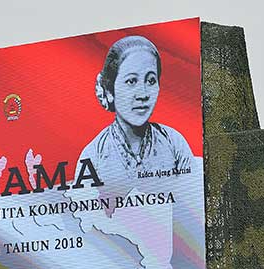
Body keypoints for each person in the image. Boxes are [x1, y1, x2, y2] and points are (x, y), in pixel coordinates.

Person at [80, 35, 193, 179]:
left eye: (151, 80)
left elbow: (192, 197)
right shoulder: (94, 155)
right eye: (131, 81)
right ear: (109, 90)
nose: (143, 94)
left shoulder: (174, 143)